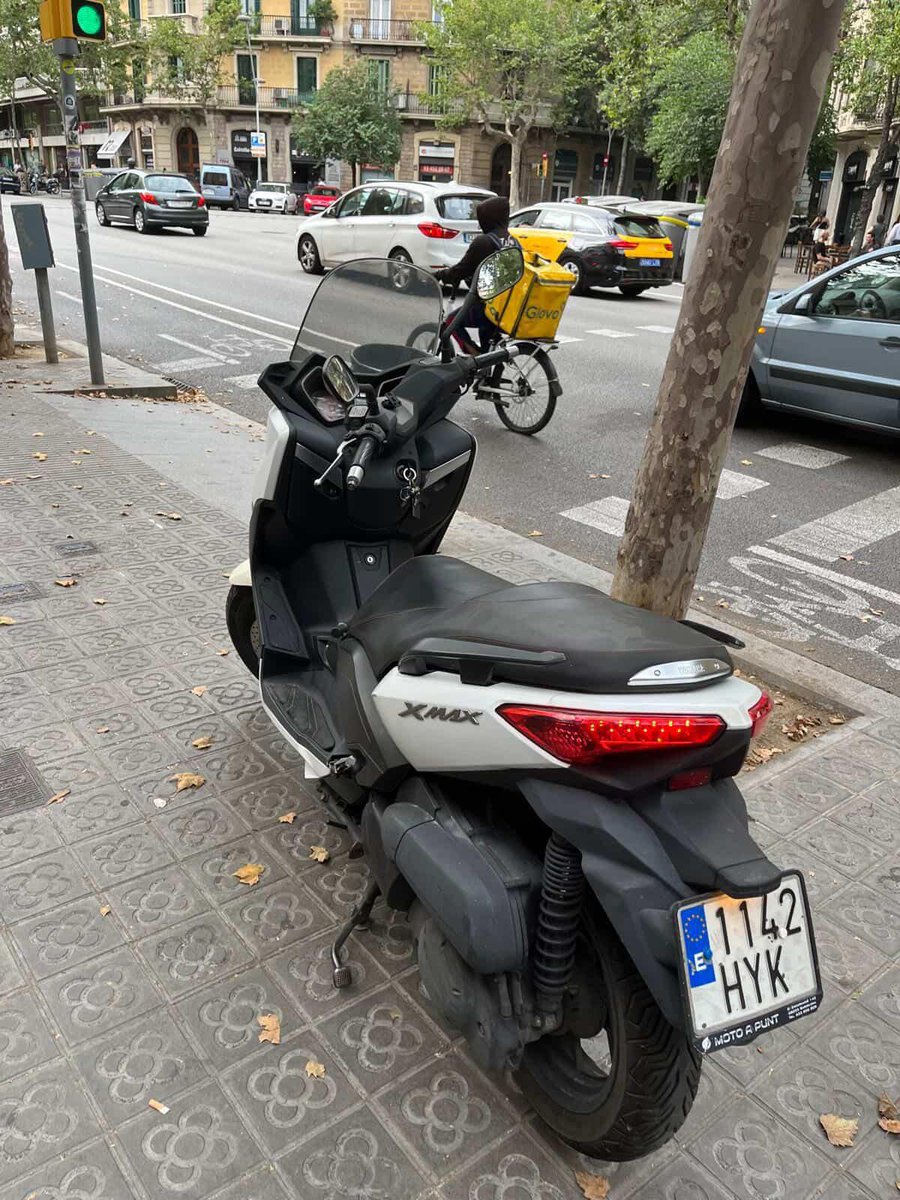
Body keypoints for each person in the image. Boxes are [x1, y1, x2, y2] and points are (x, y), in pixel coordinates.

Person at [433, 196, 515, 352]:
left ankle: (475, 356)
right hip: (507, 308)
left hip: (489, 309)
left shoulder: (484, 242)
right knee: (488, 343)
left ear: (487, 218)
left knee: (450, 321)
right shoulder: (513, 241)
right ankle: (487, 370)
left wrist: (437, 275)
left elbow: (459, 271)